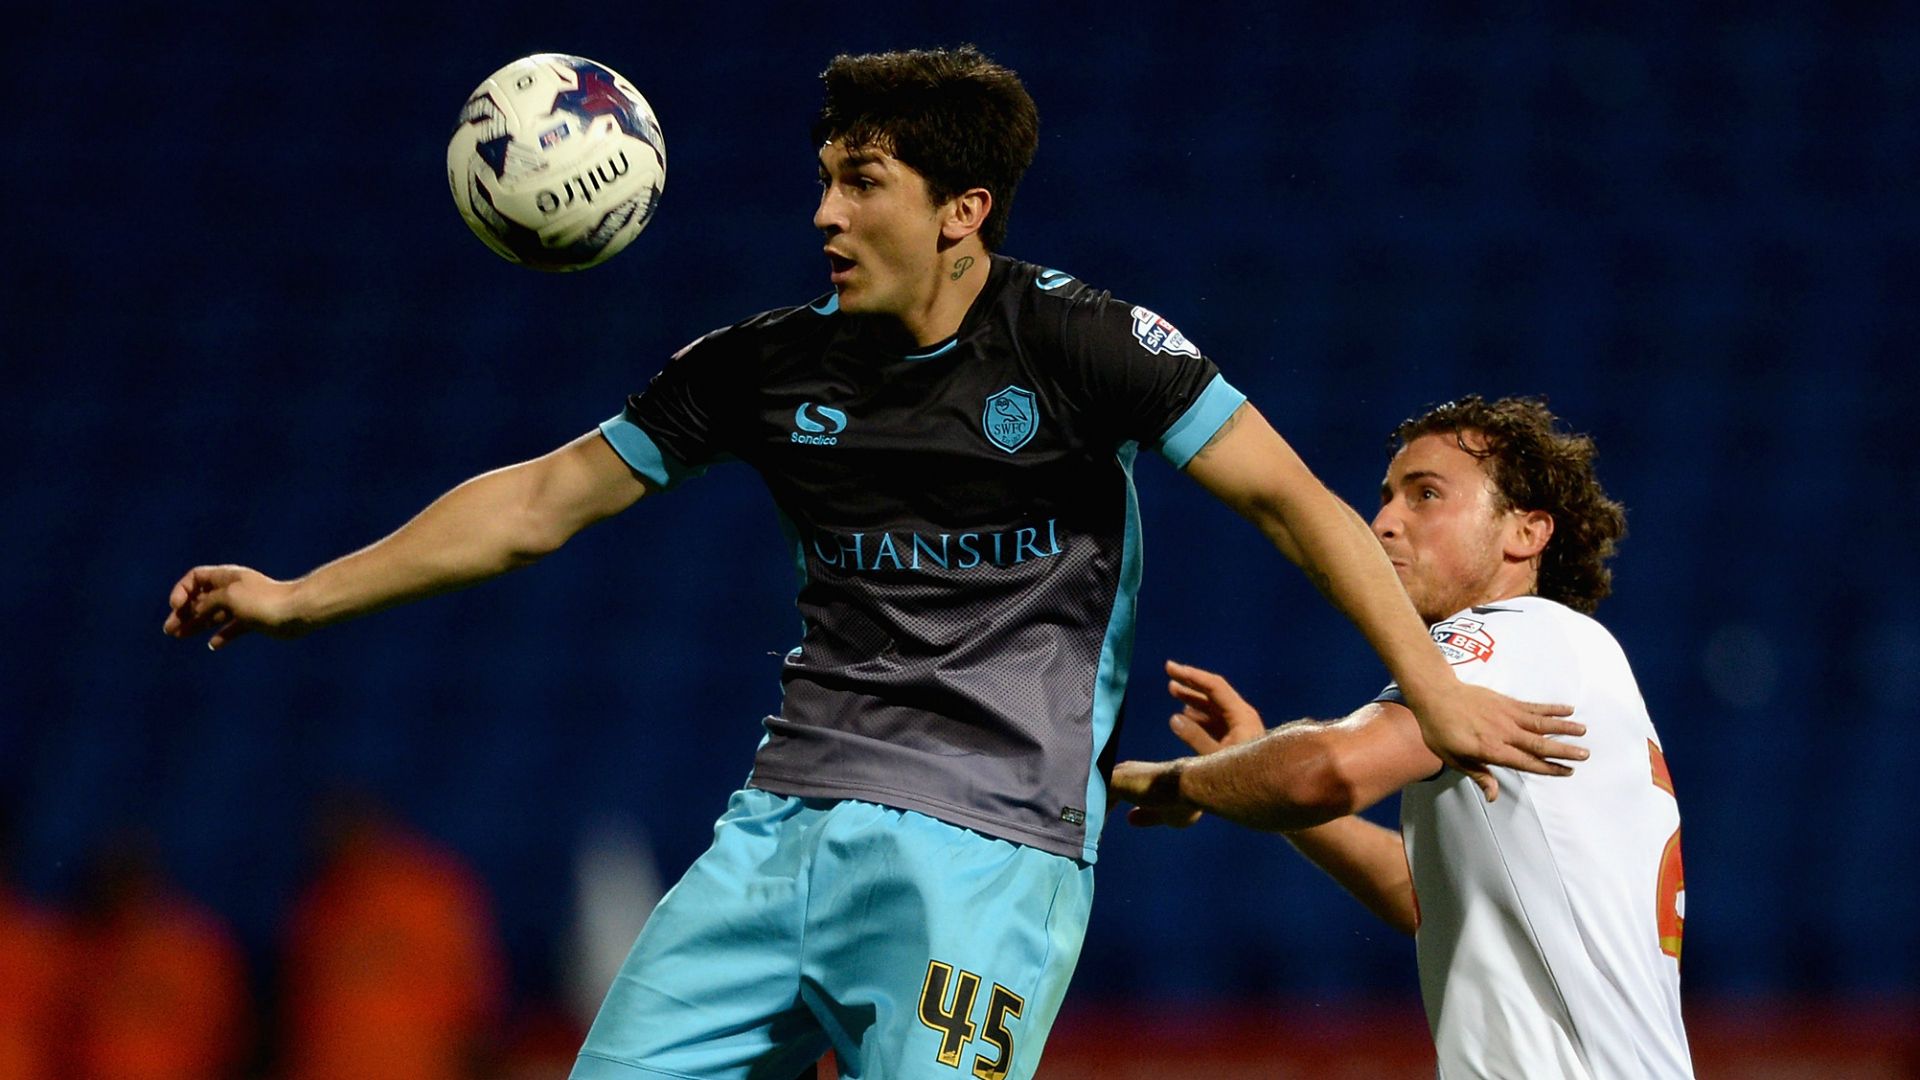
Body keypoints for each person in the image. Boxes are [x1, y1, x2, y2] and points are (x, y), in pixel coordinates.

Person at [164, 47, 1580, 1078]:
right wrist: (302, 593)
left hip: (988, 854)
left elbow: (1294, 504)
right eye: (824, 183)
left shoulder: (1082, 343)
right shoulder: (764, 368)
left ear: (963, 209)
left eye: (863, 183)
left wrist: (1429, 693)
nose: (826, 217)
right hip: (776, 834)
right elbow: (543, 499)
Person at [1114, 395, 1693, 1078]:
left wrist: (1169, 780)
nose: (1382, 522)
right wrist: (1249, 761)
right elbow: (1420, 888)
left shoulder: (1516, 632)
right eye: (1386, 498)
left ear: (1526, 533)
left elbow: (1325, 771)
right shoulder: (1565, 658)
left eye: (1425, 495)